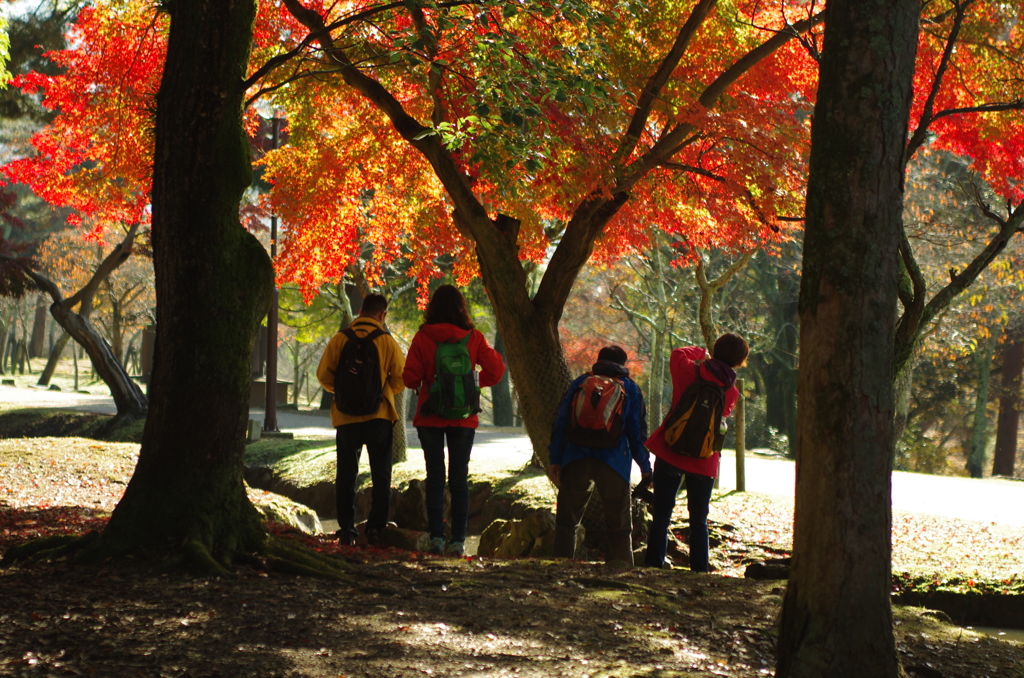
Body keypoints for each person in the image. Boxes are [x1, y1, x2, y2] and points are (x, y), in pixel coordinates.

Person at [403, 284, 506, 556]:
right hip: (463, 417)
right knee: (459, 479)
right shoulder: (474, 337)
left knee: (435, 478)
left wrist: (429, 380)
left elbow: (410, 378)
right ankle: (458, 541)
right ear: (461, 308)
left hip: (430, 416)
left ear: (432, 308)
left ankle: (437, 538)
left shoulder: (423, 337)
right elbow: (497, 370)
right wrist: (472, 384)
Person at [643, 333, 748, 572]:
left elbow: (677, 353)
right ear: (739, 360)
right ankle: (699, 570)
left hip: (671, 450)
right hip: (704, 459)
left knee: (662, 513)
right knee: (699, 519)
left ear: (716, 350)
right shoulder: (732, 391)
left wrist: (701, 352)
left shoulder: (688, 370)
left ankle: (653, 565)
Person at [548, 346, 651, 566]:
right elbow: (636, 431)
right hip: (614, 462)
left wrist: (555, 459)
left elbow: (560, 422)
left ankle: (560, 567)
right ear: (623, 364)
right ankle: (620, 572)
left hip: (576, 458)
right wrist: (645, 467)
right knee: (619, 526)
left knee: (567, 522)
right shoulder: (630, 388)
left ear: (599, 360)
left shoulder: (580, 383)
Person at [317, 294, 405, 546]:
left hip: (346, 417)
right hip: (379, 417)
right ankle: (375, 529)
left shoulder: (340, 339)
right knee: (381, 474)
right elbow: (401, 377)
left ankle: (347, 530)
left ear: (360, 311)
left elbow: (323, 375)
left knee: (346, 474)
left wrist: (344, 393)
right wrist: (382, 392)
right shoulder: (386, 341)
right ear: (382, 314)